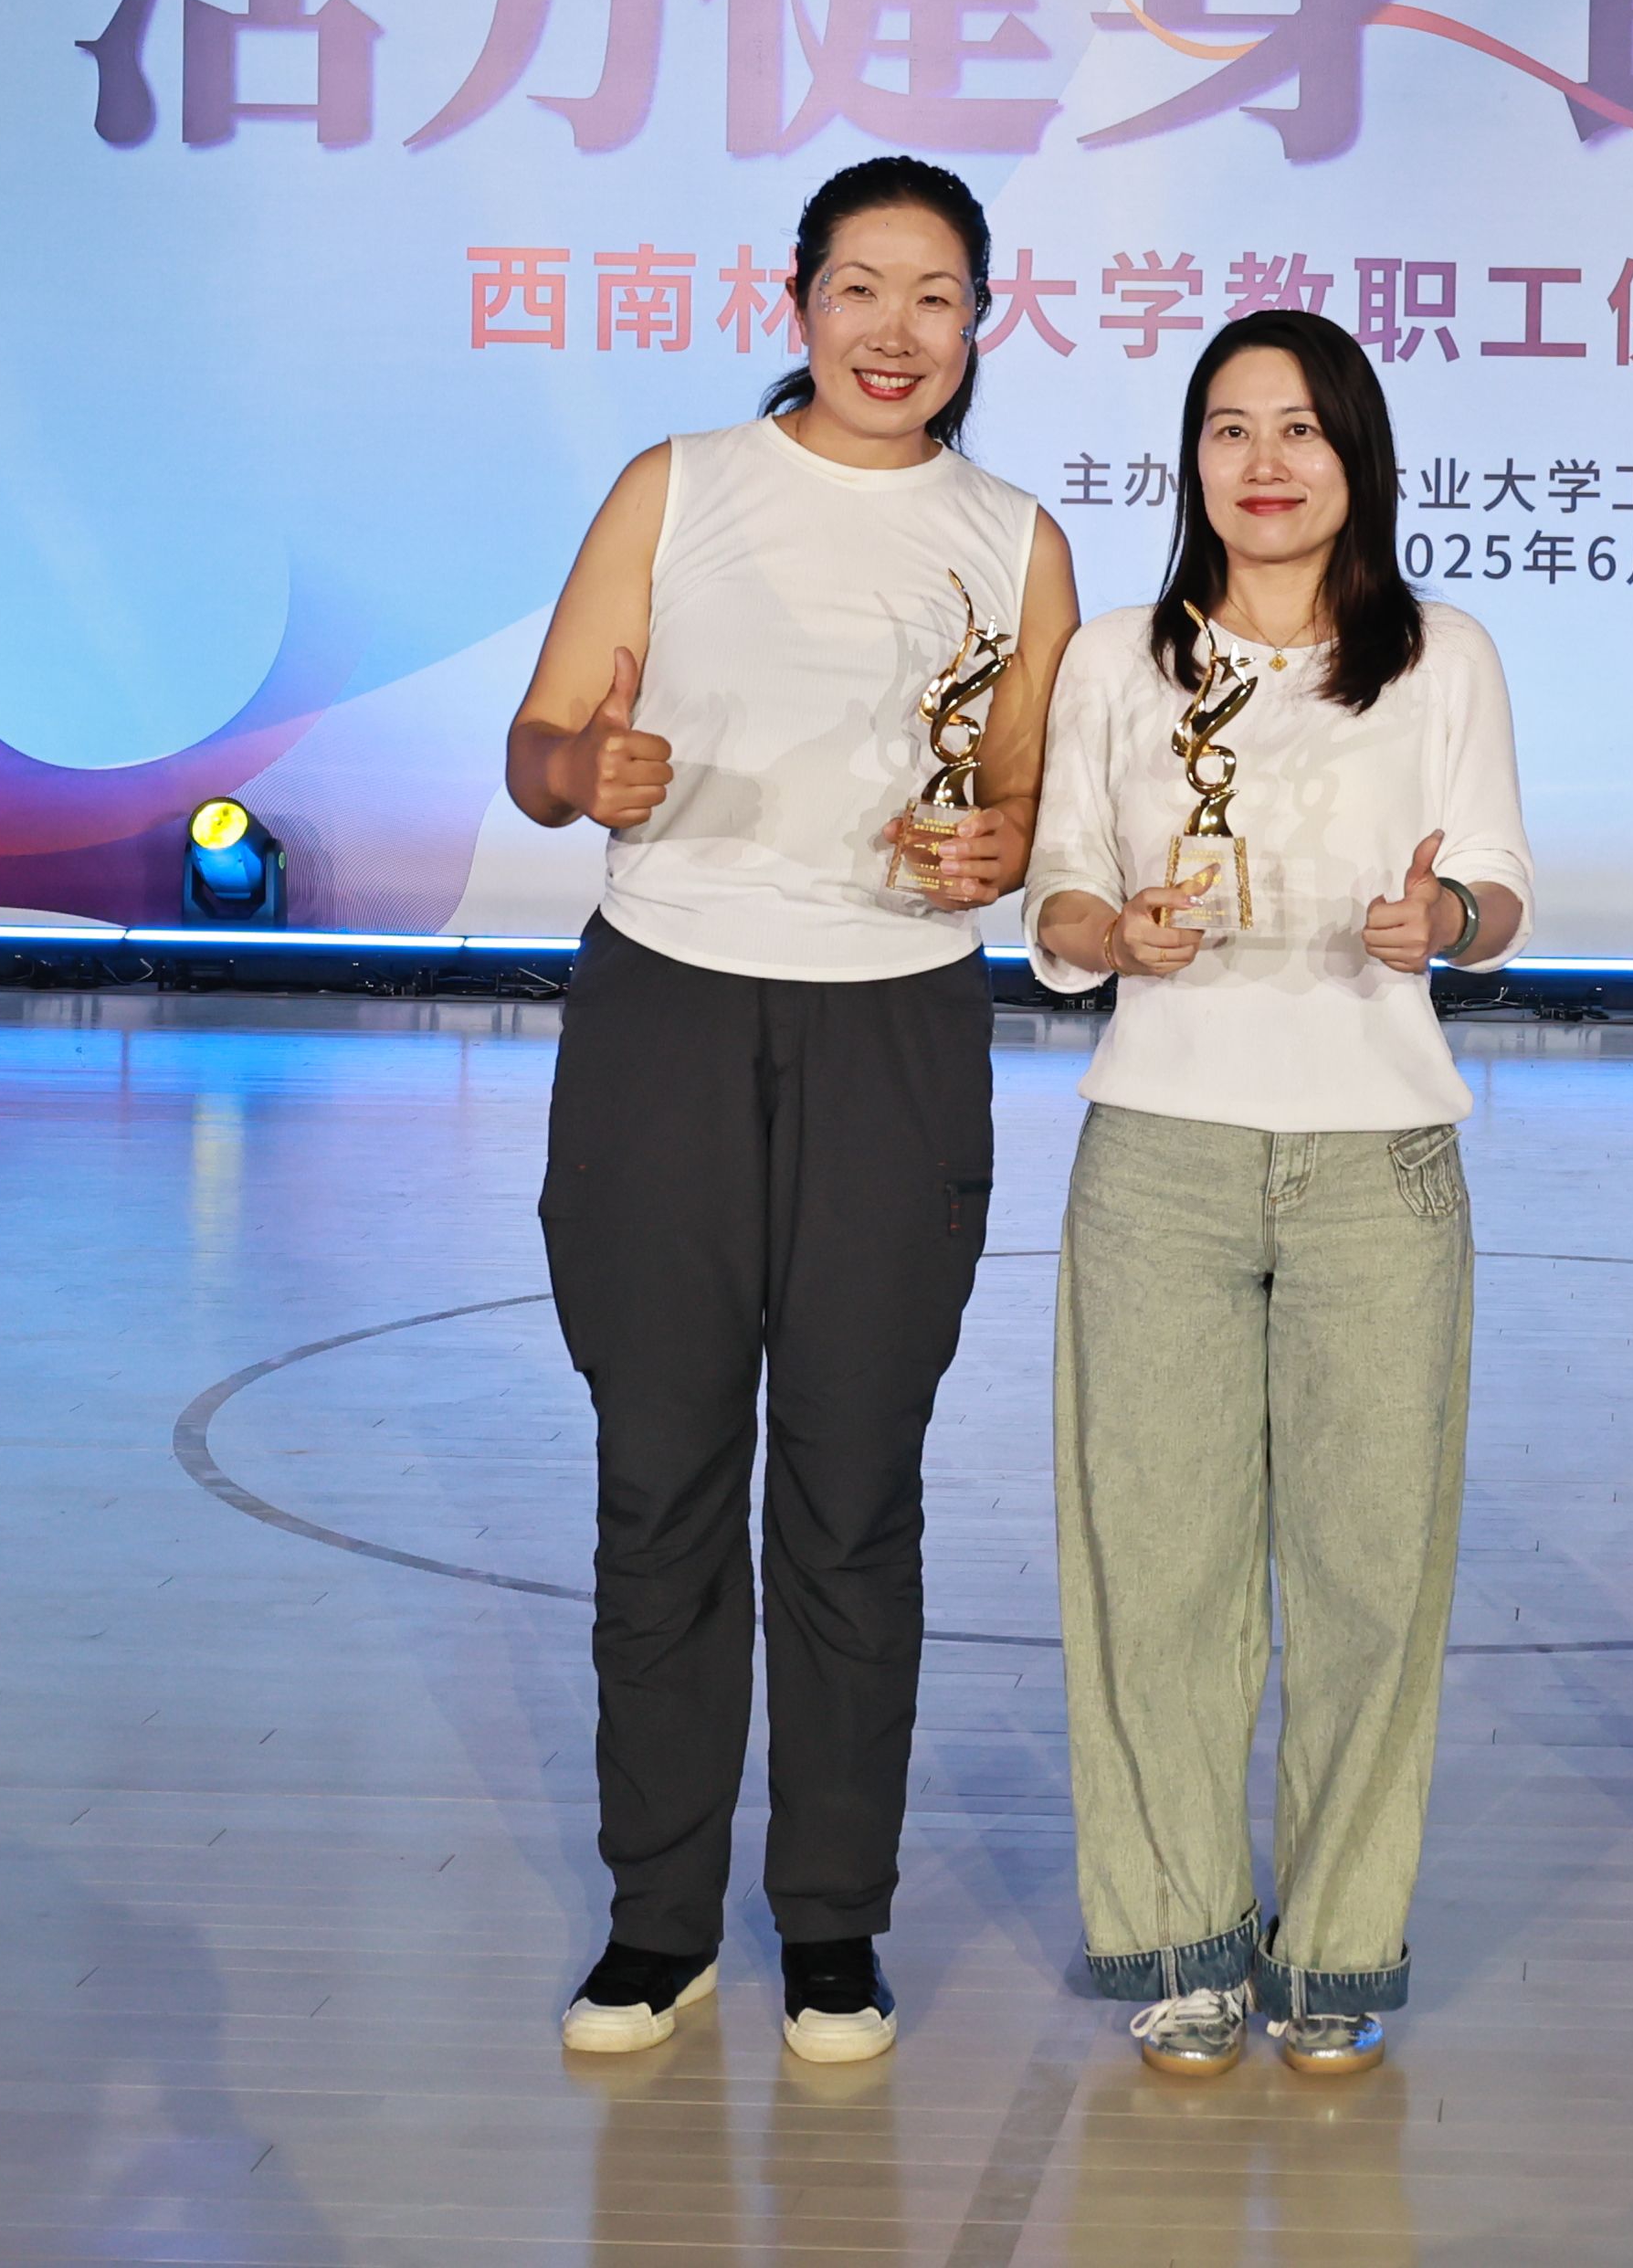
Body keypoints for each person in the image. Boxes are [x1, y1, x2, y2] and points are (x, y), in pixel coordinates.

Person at [502, 154, 1080, 2066]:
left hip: (895, 1031)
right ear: (800, 300)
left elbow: (1020, 807)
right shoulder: (679, 485)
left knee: (851, 1490)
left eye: (936, 296)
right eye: (861, 288)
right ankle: (656, 1922)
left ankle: (832, 1926)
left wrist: (995, 850)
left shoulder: (1015, 541)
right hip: (667, 1009)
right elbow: (537, 745)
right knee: (662, 1475)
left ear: (982, 319)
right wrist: (587, 766)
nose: (895, 332)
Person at [1021, 310, 1532, 2080]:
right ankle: (1181, 1940)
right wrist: (1116, 930)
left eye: (1301, 427)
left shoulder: (1441, 657)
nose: (1264, 461)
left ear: (1357, 454)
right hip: (1158, 1151)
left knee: (1372, 1574)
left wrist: (1440, 919)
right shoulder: (1116, 658)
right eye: (1230, 428)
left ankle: (1335, 1950)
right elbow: (1057, 897)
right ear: (1192, 462)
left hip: (1377, 1159)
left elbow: (1497, 884)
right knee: (1155, 1569)